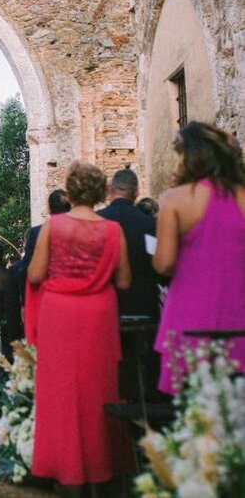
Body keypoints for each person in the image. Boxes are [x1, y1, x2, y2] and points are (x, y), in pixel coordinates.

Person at [27, 161, 131, 490]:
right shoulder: (113, 230)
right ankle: (100, 469)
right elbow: (125, 280)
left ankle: (64, 468)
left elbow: (35, 274)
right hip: (97, 315)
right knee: (97, 389)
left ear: (70, 191)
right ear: (101, 191)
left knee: (60, 391)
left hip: (59, 314)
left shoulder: (53, 227)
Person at [153, 122, 245, 394]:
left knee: (196, 415)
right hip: (239, 317)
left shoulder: (177, 199)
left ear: (191, 155)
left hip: (192, 319)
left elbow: (165, 263)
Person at [99, 169, 162, 320]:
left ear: (111, 190)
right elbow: (159, 268)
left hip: (105, 308)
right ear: (136, 192)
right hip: (143, 307)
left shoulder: (96, 221)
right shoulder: (150, 224)